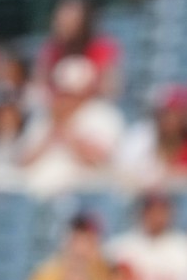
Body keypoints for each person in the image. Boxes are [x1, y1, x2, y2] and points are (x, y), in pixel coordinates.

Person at [17, 56, 125, 196]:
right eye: (61, 91)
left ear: (86, 91)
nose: (63, 97)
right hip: (36, 189)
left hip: (80, 191)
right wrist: (50, 136)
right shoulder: (44, 116)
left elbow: (102, 161)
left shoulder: (104, 115)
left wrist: (68, 135)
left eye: (70, 93)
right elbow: (23, 160)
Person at [105, 190, 187, 280]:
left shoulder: (185, 247)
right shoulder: (121, 247)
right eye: (152, 211)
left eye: (162, 211)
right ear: (142, 213)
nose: (157, 216)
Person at [33, 0, 121, 99]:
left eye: (71, 18)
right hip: (59, 107)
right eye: (61, 18)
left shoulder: (101, 47)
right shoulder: (51, 49)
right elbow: (39, 84)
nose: (64, 23)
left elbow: (110, 88)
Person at [27, 213, 111, 280]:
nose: (81, 248)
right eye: (77, 240)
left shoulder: (105, 274)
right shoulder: (47, 275)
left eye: (88, 241)